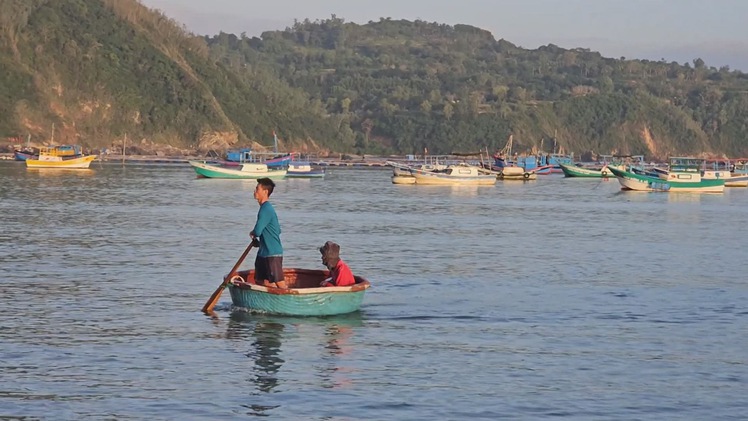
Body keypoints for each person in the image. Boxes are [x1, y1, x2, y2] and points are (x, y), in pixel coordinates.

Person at [250, 178, 287, 288]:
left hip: (272, 253)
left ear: (265, 192)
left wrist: (253, 233)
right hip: (263, 252)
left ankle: (291, 301)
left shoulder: (266, 209)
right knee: (260, 280)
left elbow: (257, 231)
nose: (255, 191)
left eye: (257, 189)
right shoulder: (264, 208)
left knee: (279, 282)